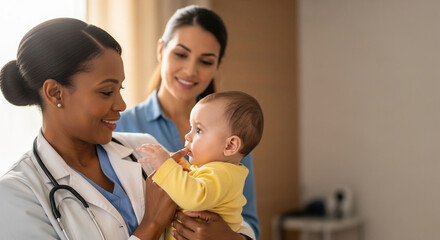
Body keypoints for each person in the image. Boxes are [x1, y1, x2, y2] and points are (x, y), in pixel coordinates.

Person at [0, 18, 255, 240]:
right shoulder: (18, 193)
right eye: (106, 91)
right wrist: (151, 226)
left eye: (120, 89)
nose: (121, 105)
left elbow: (226, 214)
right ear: (55, 92)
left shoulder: (142, 148)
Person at [115, 5, 261, 238]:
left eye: (205, 61)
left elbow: (248, 219)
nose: (190, 70)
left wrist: (229, 237)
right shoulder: (120, 126)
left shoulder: (234, 135)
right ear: (161, 50)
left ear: (217, 66)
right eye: (181, 54)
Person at [137, 91, 264, 240]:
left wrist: (166, 167)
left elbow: (194, 197)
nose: (188, 136)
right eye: (191, 128)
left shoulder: (224, 174)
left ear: (230, 146)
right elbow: (198, 183)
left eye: (199, 130)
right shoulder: (216, 171)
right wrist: (181, 168)